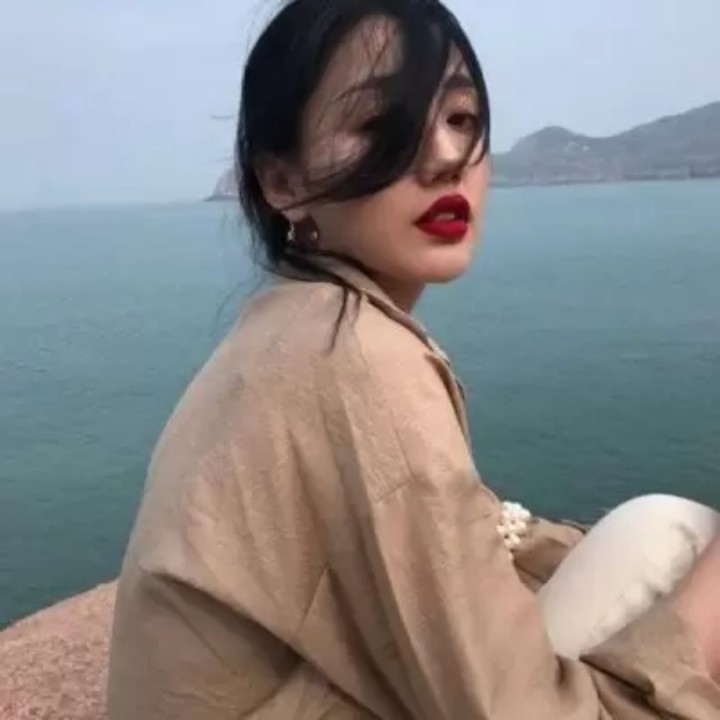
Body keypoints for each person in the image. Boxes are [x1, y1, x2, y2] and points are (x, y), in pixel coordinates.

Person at [107, 0, 720, 717]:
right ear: (282, 183)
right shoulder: (353, 358)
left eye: (461, 117)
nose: (445, 155)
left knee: (655, 533)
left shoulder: (289, 327)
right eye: (377, 125)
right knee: (674, 538)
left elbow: (454, 545)